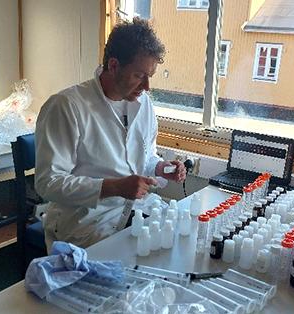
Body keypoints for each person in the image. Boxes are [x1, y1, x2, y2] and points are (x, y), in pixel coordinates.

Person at [35, 18, 186, 252]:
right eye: (139, 75)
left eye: (150, 76)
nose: (146, 87)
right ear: (113, 66)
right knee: (129, 261)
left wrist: (160, 168)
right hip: (84, 218)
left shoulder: (142, 103)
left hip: (134, 207)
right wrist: (114, 187)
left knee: (178, 234)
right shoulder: (67, 106)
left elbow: (143, 157)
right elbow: (48, 183)